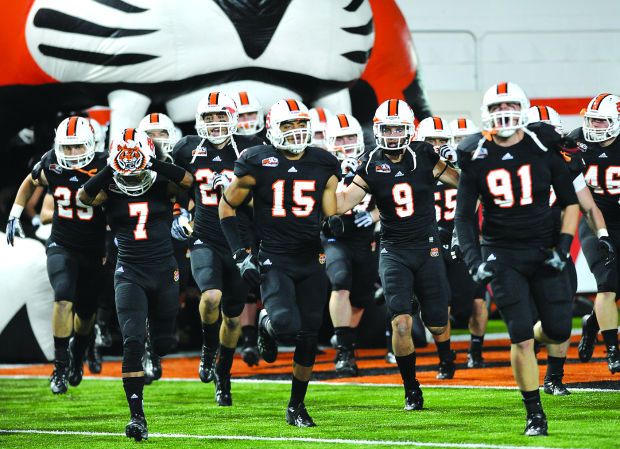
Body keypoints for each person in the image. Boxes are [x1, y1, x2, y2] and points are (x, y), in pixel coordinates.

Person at [454, 82, 580, 436]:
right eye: (496, 107)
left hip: (543, 250)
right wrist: (472, 258)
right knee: (520, 336)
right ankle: (534, 413)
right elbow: (464, 216)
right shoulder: (475, 153)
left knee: (557, 330)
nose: (503, 113)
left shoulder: (543, 146)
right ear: (485, 114)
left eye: (510, 105)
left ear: (524, 109)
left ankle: (538, 336)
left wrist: (563, 246)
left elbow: (570, 202)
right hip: (501, 254)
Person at [219, 98, 341, 427]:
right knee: (287, 327)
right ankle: (265, 324)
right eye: (288, 124)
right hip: (274, 256)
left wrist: (333, 222)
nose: (296, 130)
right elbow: (226, 207)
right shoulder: (256, 160)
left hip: (310, 257)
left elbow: (329, 212)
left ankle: (296, 407)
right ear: (273, 129)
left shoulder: (324, 162)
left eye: (301, 123)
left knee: (309, 333)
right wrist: (240, 254)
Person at [337, 99, 459, 410]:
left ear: (410, 130)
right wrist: (330, 182)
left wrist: (463, 163)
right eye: (386, 129)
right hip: (393, 249)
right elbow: (341, 204)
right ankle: (411, 389)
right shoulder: (369, 162)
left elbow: (462, 183)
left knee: (436, 321)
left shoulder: (425, 154)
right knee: (401, 322)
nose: (392, 135)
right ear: (378, 130)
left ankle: (445, 354)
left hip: (428, 246)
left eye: (398, 128)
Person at [78, 128, 193, 441]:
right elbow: (83, 197)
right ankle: (136, 416)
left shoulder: (162, 185)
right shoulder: (109, 188)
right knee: (131, 340)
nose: (130, 173)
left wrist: (151, 163)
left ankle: (154, 353)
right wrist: (110, 168)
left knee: (165, 341)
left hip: (164, 269)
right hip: (129, 271)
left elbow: (188, 181)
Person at [172, 91, 263, 405]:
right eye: (208, 117)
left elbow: (263, 201)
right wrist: (178, 212)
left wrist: (236, 188)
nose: (214, 123)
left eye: (220, 116)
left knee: (234, 317)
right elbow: (175, 186)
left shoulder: (251, 150)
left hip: (240, 241)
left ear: (233, 118)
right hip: (205, 236)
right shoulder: (187, 148)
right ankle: (208, 352)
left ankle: (223, 375)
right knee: (211, 296)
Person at [6, 116, 106, 395]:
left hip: (93, 248)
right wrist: (15, 213)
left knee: (85, 314)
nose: (72, 153)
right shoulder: (52, 161)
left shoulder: (105, 163)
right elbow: (30, 180)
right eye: (67, 147)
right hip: (61, 243)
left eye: (78, 147)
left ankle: (78, 352)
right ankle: (60, 367)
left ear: (90, 145)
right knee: (62, 297)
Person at [323, 113, 379, 376]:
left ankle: (345, 337)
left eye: (351, 137)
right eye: (340, 138)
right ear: (329, 141)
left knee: (360, 297)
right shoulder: (322, 164)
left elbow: (389, 198)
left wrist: (374, 215)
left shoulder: (372, 161)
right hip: (334, 235)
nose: (346, 143)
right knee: (340, 281)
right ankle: (345, 351)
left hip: (363, 236)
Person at [569, 93, 620, 375]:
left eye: (602, 120)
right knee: (607, 284)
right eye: (592, 119)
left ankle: (592, 324)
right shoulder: (577, 141)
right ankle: (613, 349)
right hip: (594, 221)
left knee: (616, 289)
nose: (595, 126)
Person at [230, 90, 267, 367]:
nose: (245, 121)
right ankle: (248, 338)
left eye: (250, 115)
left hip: (271, 219)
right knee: (246, 282)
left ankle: (267, 329)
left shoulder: (270, 142)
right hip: (242, 220)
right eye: (240, 116)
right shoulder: (225, 146)